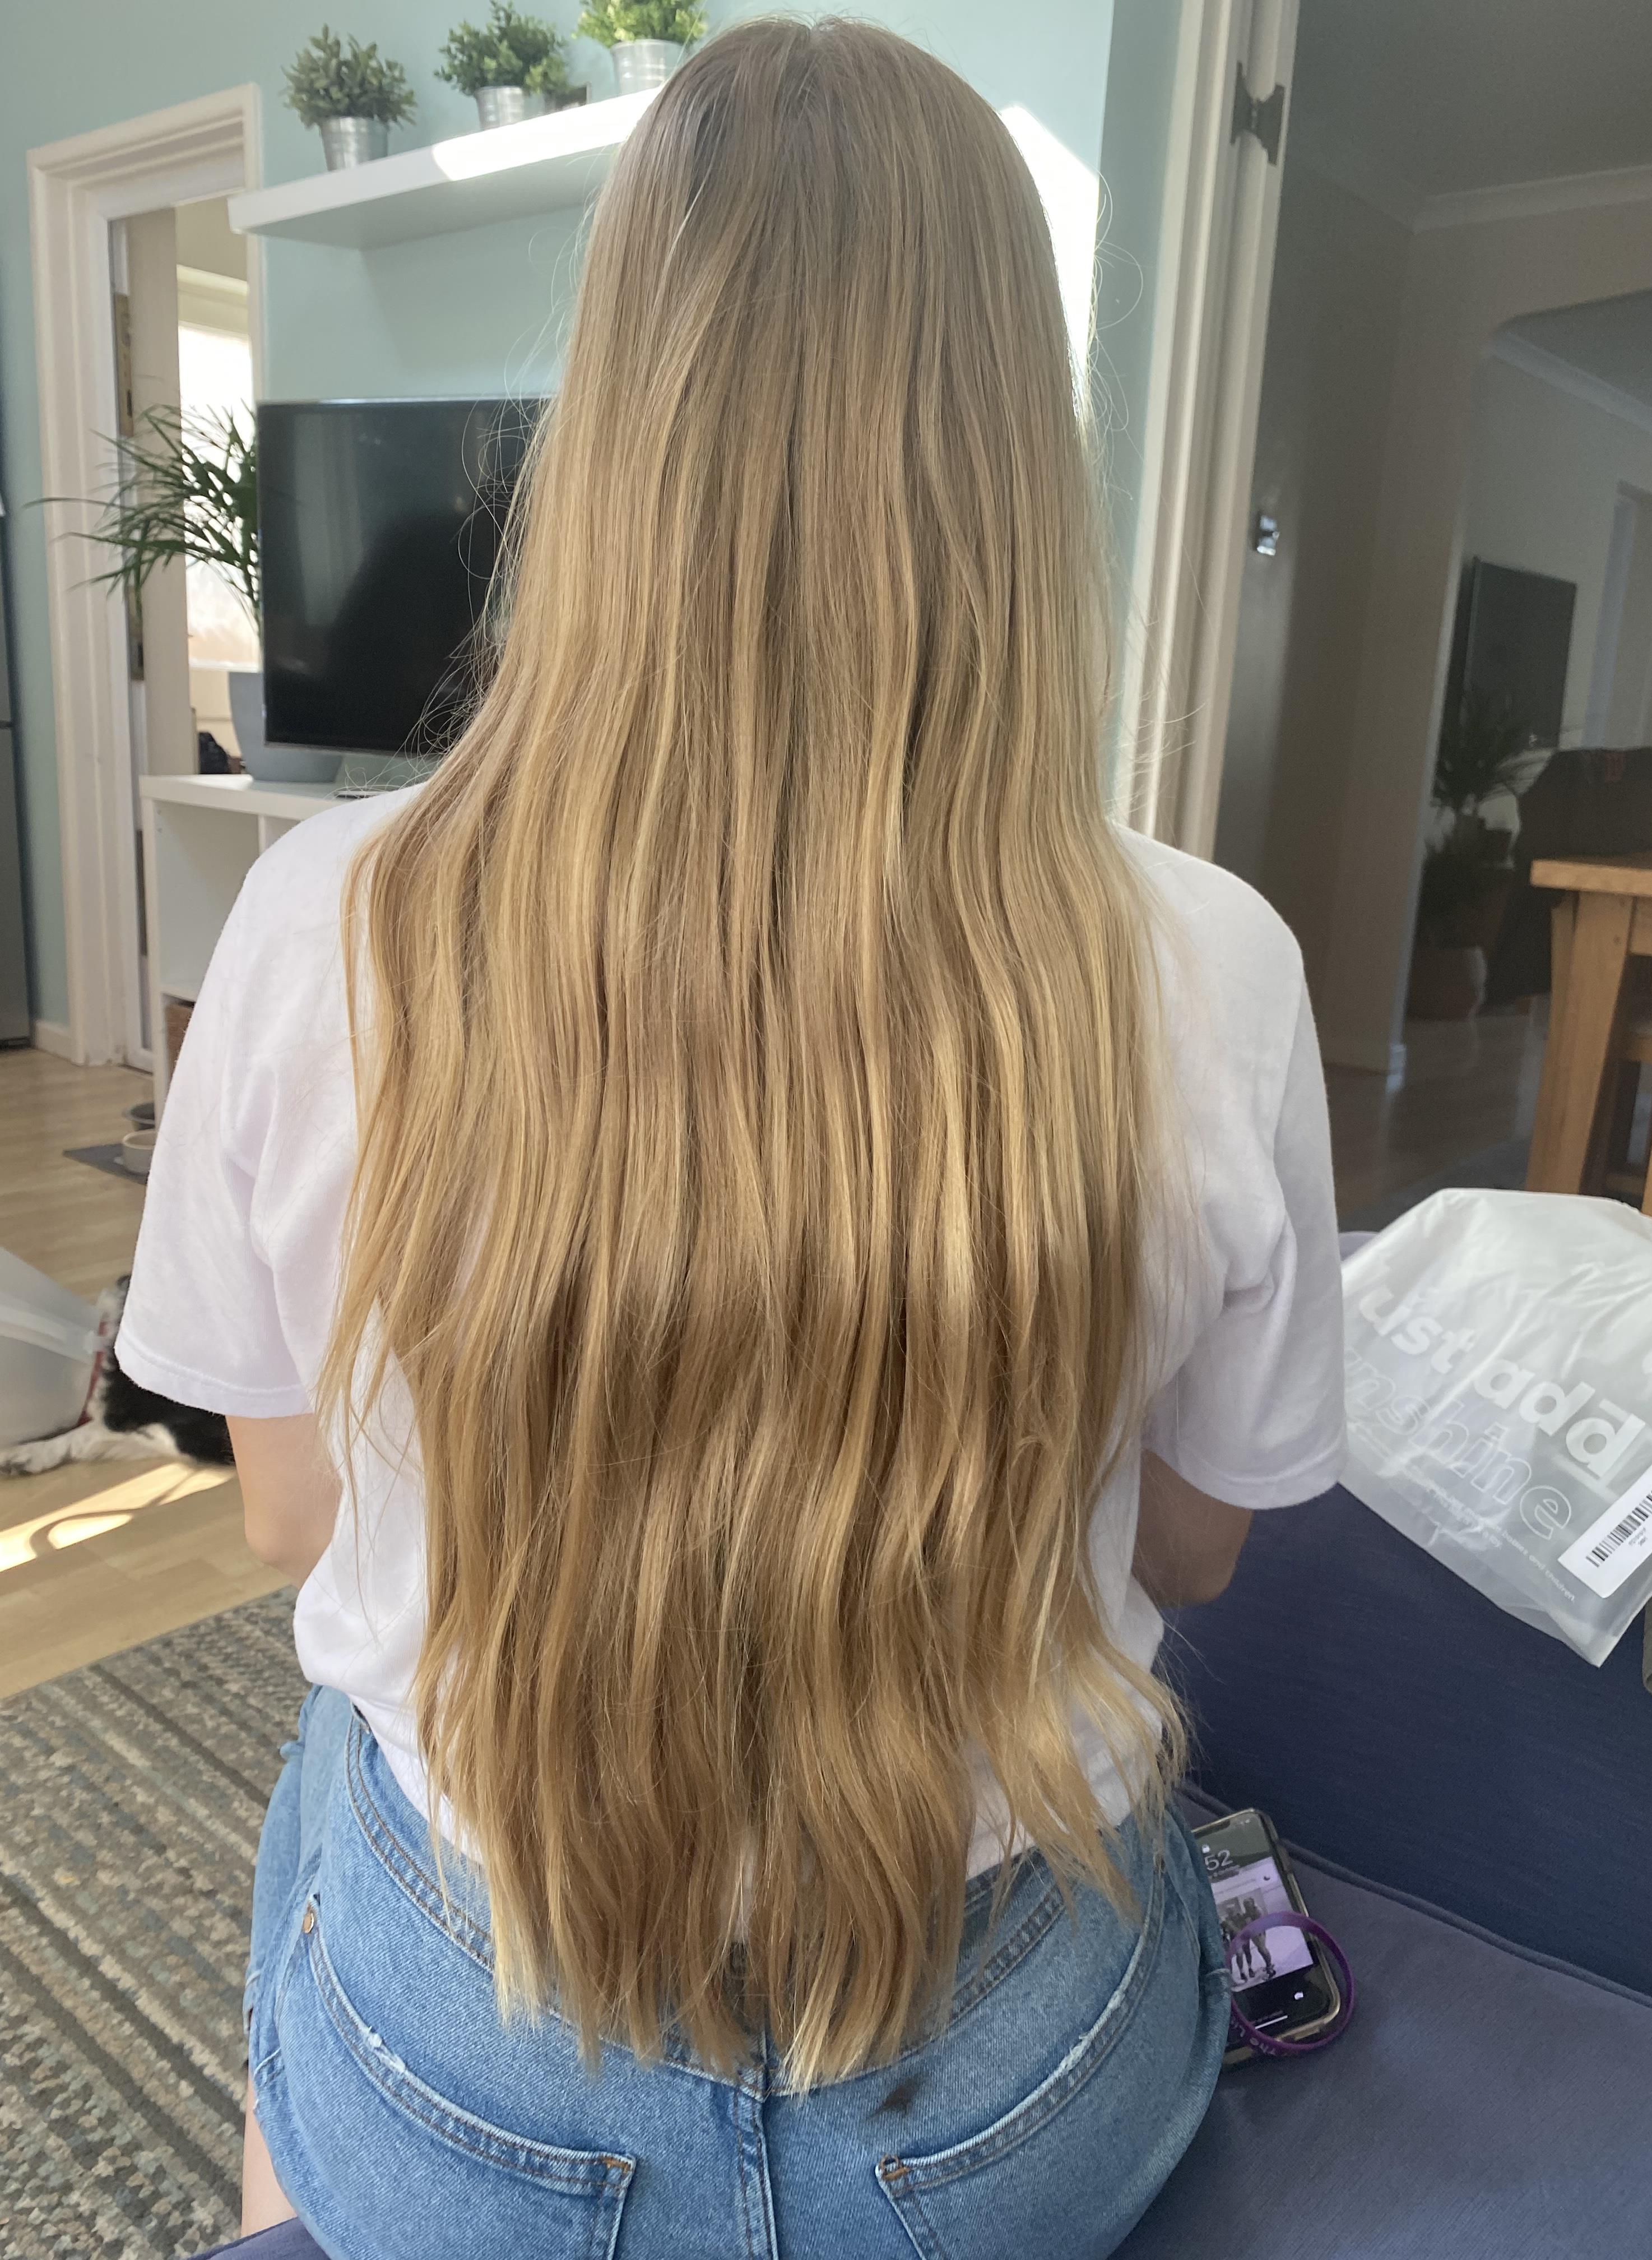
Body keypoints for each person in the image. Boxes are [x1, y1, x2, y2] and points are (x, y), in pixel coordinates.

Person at [117, 20, 1344, 2258]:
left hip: (482, 2076)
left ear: (615, 426)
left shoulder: (321, 926)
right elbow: (1190, 1556)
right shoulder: (1217, 969)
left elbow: (292, 1518)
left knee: (327, 1771)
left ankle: (316, 2204)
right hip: (1001, 2111)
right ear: (1016, 450)